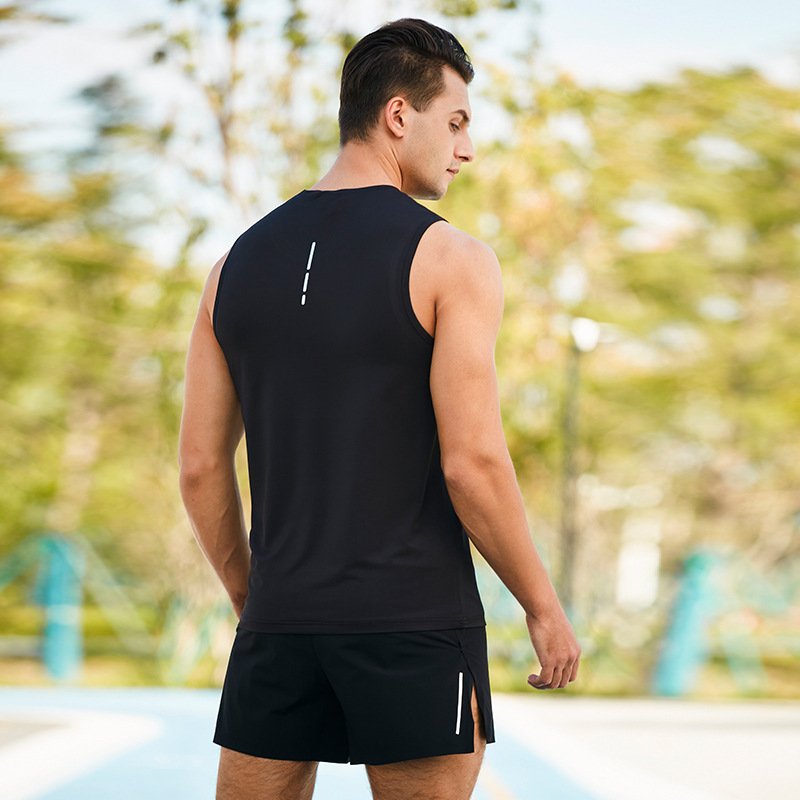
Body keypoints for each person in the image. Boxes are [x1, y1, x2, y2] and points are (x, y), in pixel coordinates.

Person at [178, 17, 580, 800]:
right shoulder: (453, 258)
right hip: (413, 625)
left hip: (280, 625)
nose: (467, 148)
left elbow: (199, 468)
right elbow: (472, 464)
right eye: (456, 122)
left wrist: (256, 602)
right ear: (400, 115)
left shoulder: (231, 266)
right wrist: (542, 606)